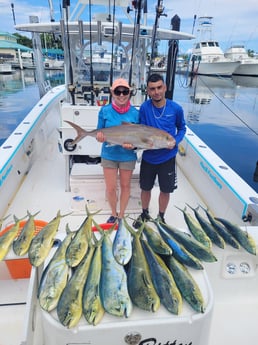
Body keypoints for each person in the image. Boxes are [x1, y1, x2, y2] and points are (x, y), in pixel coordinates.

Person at [134, 73, 186, 226]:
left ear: (165, 88)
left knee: (165, 190)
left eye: (159, 88)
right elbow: (141, 130)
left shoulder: (175, 108)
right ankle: (144, 213)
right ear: (148, 91)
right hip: (149, 156)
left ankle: (161, 217)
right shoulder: (144, 107)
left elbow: (182, 128)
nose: (156, 92)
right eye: (152, 89)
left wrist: (175, 141)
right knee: (145, 188)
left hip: (167, 157)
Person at [96, 78, 139, 223]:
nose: (121, 95)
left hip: (128, 156)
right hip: (109, 154)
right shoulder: (105, 110)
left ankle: (121, 215)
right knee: (111, 187)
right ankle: (113, 214)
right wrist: (100, 137)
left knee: (126, 186)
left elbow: (139, 137)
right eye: (118, 92)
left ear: (129, 92)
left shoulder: (135, 113)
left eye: (125, 91)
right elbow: (99, 132)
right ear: (112, 92)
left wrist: (133, 145)